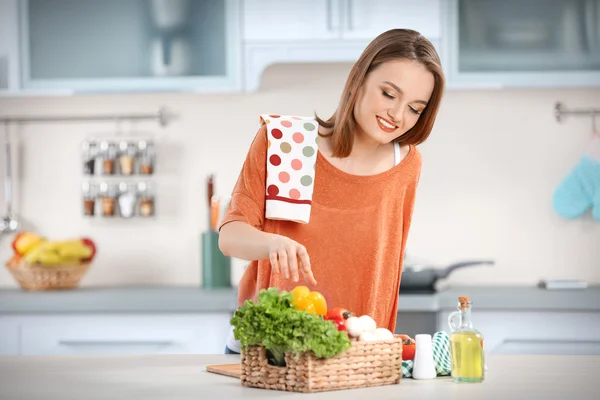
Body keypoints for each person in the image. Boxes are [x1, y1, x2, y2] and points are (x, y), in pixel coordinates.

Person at [218, 28, 445, 354]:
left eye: (415, 108)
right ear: (359, 79)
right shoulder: (285, 142)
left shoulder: (406, 164)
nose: (397, 116)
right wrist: (272, 243)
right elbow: (230, 236)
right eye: (389, 94)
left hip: (354, 355)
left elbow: (384, 267)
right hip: (271, 353)